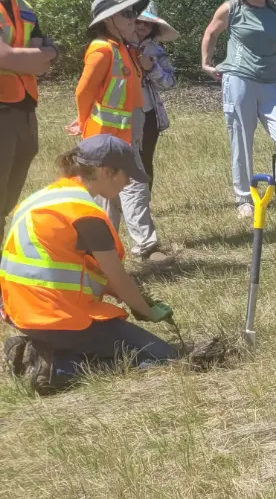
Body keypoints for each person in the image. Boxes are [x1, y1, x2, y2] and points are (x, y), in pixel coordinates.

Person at [1, 137, 177, 393]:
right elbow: (118, 278)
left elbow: (74, 269)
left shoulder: (43, 198)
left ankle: (42, 350)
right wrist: (147, 311)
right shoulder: (85, 214)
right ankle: (56, 367)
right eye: (126, 175)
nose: (128, 182)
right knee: (162, 356)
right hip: (59, 318)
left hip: (22, 313)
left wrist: (127, 295)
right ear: (106, 171)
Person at [202, 0, 276, 216]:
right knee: (241, 140)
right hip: (239, 79)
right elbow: (211, 32)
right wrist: (206, 63)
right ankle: (244, 199)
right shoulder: (231, 8)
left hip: (272, 84)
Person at [73, 0, 167, 263]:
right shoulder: (102, 50)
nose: (133, 19)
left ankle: (101, 251)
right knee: (134, 184)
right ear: (108, 20)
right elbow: (83, 91)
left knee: (110, 193)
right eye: (126, 14)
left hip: (125, 133)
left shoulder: (122, 48)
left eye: (133, 13)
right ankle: (146, 247)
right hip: (107, 136)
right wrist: (82, 122)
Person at [0, 0, 57, 227]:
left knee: (9, 190)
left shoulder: (25, 8)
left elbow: (41, 66)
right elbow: (6, 57)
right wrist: (46, 53)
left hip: (24, 107)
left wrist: (36, 57)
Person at [135, 1, 177, 188]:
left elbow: (170, 82)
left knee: (145, 160)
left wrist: (152, 68)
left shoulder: (157, 51)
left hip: (148, 113)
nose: (143, 26)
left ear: (154, 28)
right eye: (139, 21)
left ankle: (144, 201)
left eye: (148, 23)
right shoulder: (117, 46)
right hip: (120, 111)